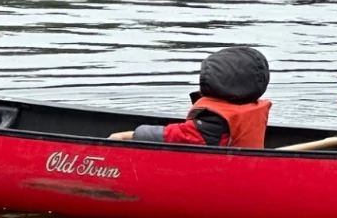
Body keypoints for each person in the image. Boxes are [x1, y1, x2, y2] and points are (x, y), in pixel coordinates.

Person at [109, 46, 271, 148]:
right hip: (239, 167)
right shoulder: (246, 105)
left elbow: (177, 136)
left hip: (220, 174)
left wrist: (126, 136)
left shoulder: (216, 121)